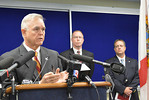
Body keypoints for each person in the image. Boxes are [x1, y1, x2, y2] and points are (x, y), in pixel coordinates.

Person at [1, 13, 68, 84]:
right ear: (24, 32)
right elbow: (8, 89)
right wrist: (40, 84)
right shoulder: (8, 58)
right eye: (36, 29)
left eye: (43, 29)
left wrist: (61, 82)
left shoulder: (54, 55)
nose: (41, 33)